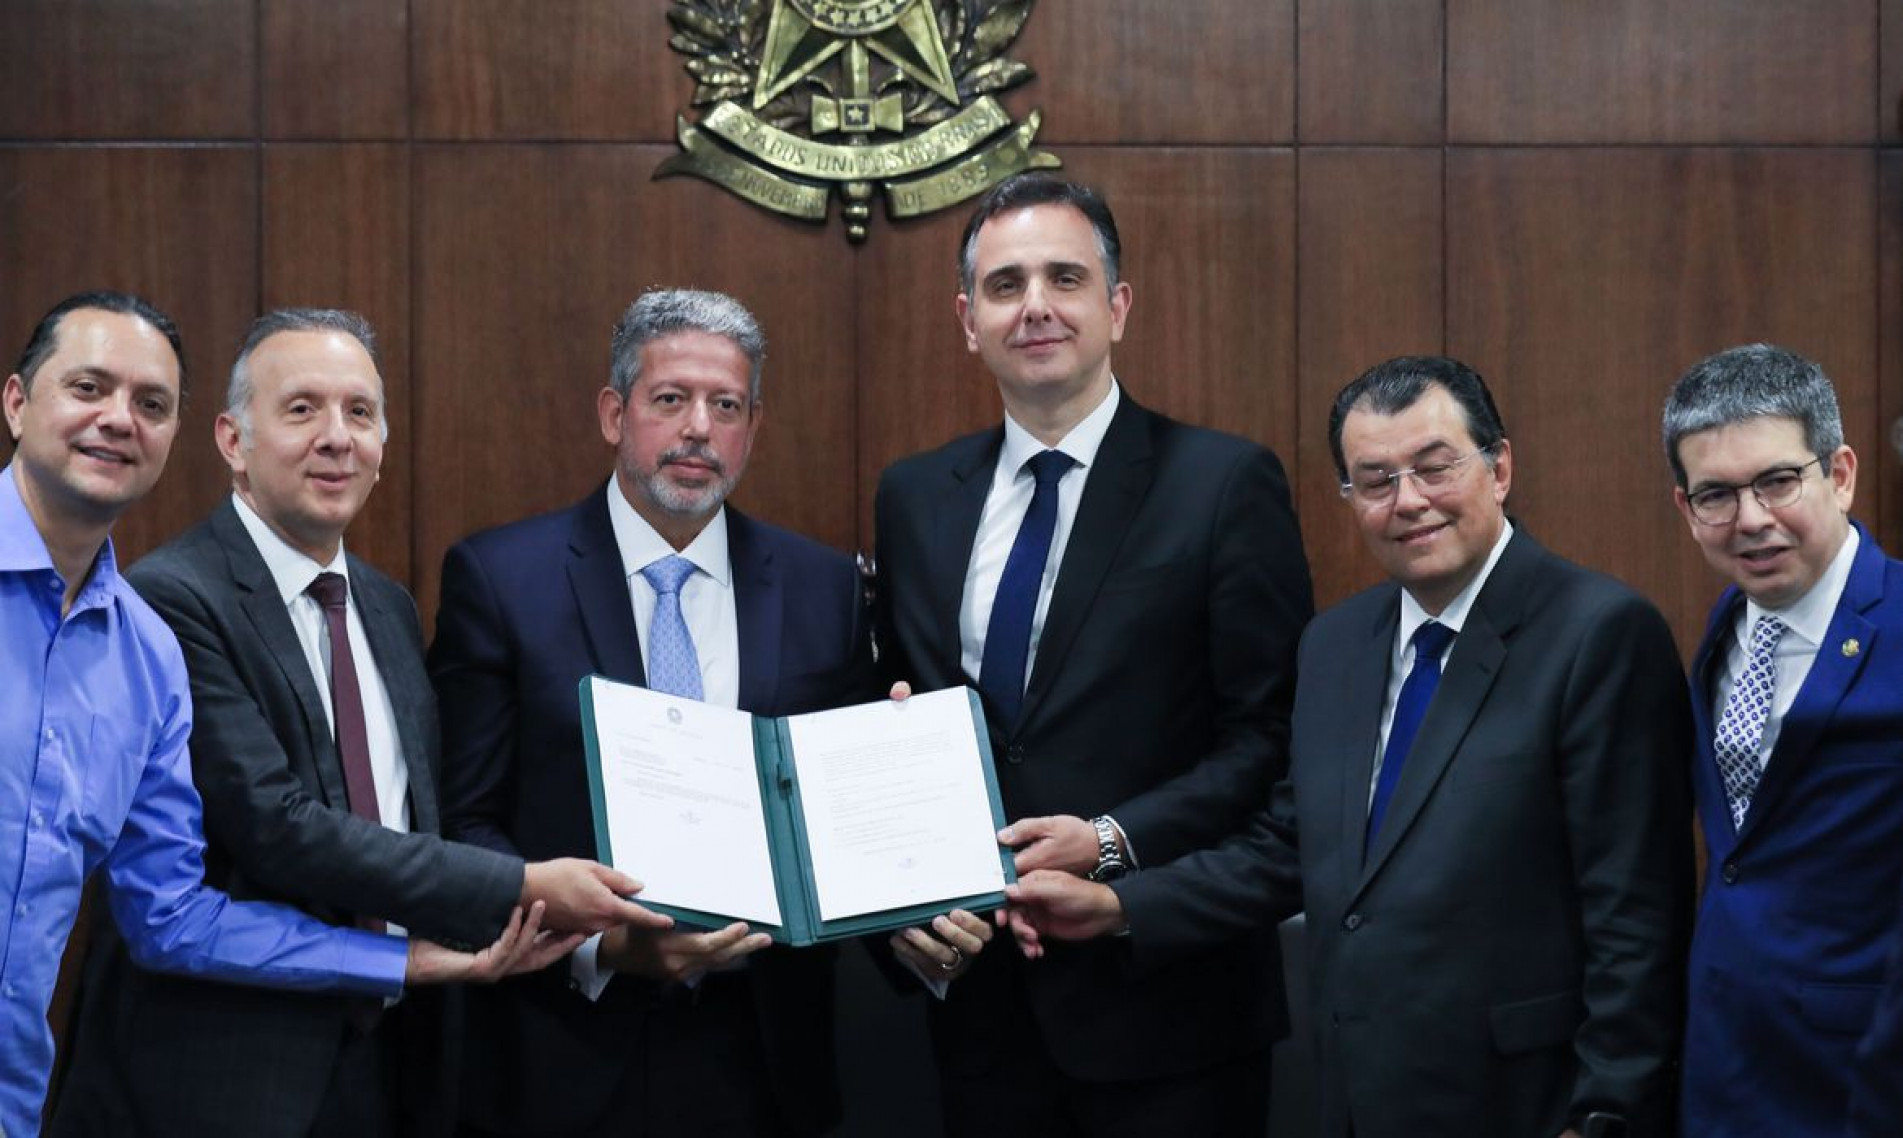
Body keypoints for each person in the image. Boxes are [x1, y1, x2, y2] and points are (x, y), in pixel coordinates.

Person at [1005, 356, 1695, 1137]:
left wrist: (1605, 1113)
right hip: (1360, 1097)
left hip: (1526, 1104)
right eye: (1375, 481)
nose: (1409, 501)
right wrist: (1115, 905)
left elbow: (1635, 915)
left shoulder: (1599, 634)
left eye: (1434, 468)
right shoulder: (1334, 645)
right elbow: (1290, 848)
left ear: (1498, 467)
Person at [50, 308, 666, 1138]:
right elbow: (277, 826)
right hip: (227, 1073)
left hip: (398, 1058)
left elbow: (417, 814)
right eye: (302, 409)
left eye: (360, 412)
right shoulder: (173, 597)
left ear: (382, 445)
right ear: (233, 440)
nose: (336, 438)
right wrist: (520, 886)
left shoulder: (385, 605)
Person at [871, 174, 1314, 1136]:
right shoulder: (914, 498)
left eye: (1063, 278)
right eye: (1005, 285)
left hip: (1171, 1014)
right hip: (980, 1011)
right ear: (968, 321)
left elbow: (1269, 739)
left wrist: (1110, 840)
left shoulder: (1222, 483)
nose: (1034, 305)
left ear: (1116, 307)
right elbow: (898, 714)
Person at [430, 288, 879, 1137]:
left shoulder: (823, 589)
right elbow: (464, 822)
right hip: (561, 1051)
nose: (699, 429)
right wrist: (598, 943)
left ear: (753, 426)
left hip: (764, 1059)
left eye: (726, 406)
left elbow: (835, 818)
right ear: (614, 413)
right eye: (671, 399)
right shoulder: (501, 579)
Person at [1662, 343, 1903, 1136]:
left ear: (1839, 473)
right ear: (1684, 508)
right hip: (1723, 1067)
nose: (1750, 520)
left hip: (1858, 1078)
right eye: (1716, 494)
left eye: (1775, 480)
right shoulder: (1727, 625)